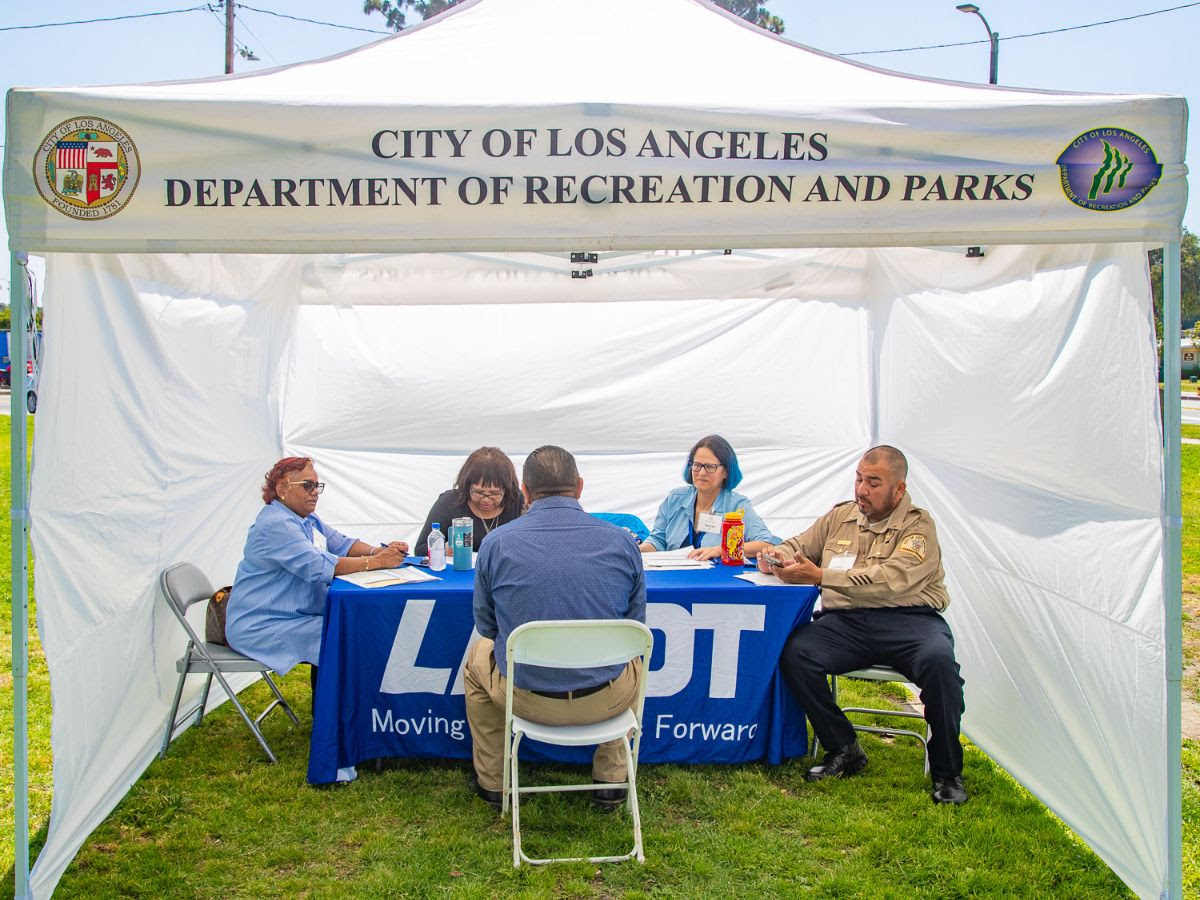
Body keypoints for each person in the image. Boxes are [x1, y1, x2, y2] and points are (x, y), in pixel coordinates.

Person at [760, 445, 967, 805]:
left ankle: (947, 773)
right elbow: (799, 545)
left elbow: (891, 579)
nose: (861, 490)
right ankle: (843, 748)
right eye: (859, 479)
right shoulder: (841, 516)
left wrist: (822, 575)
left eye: (873, 482)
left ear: (898, 489)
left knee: (940, 666)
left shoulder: (918, 526)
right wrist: (777, 556)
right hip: (849, 622)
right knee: (796, 653)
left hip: (910, 621)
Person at [464, 445, 646, 810]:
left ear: (526, 493)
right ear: (579, 487)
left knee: (475, 660)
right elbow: (635, 624)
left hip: (525, 699)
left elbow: (486, 625)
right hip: (606, 698)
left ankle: (494, 784)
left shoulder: (496, 545)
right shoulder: (623, 542)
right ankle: (611, 782)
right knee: (633, 662)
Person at [226, 457, 409, 698]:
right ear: (282, 489)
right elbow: (318, 567)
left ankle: (338, 710)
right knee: (344, 634)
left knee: (347, 629)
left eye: (317, 486)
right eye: (307, 485)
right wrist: (375, 563)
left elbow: (340, 543)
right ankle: (334, 715)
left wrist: (378, 551)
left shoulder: (304, 518)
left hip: (294, 617)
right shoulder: (276, 524)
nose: (315, 492)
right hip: (264, 624)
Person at [640, 434, 779, 561]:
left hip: (718, 582)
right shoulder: (675, 498)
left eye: (710, 467)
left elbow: (766, 544)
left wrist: (721, 550)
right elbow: (658, 540)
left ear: (726, 472)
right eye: (697, 465)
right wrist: (637, 550)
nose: (701, 472)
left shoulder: (737, 506)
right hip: (675, 579)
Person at [413, 446, 523, 557]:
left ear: (507, 489)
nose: (486, 499)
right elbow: (420, 550)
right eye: (479, 492)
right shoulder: (449, 502)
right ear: (466, 485)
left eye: (494, 494)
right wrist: (443, 550)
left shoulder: (518, 501)